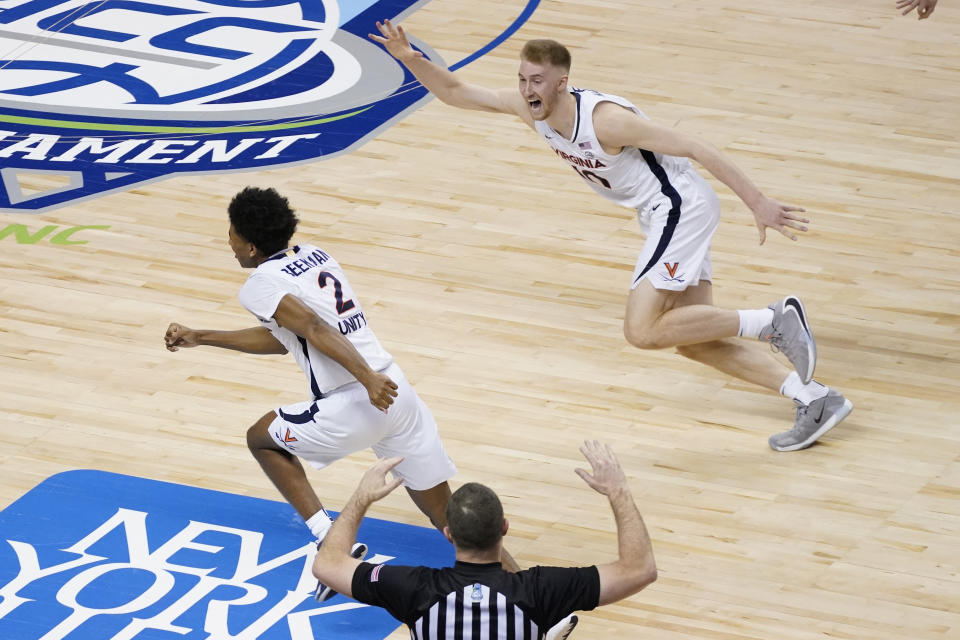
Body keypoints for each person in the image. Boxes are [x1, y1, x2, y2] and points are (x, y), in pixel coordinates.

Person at [368, 21, 853, 451]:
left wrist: (758, 202)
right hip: (663, 215)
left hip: (678, 208)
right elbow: (456, 93)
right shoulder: (525, 107)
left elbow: (696, 147)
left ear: (562, 82)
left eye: (536, 81)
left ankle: (773, 320)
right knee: (692, 336)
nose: (526, 89)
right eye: (521, 79)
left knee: (640, 331)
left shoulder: (606, 121)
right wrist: (410, 59)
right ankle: (813, 398)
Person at [164, 187, 517, 601]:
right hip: (397, 391)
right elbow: (287, 339)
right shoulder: (314, 254)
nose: (229, 242)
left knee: (261, 438)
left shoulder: (259, 283)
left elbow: (313, 328)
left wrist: (366, 378)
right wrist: (201, 337)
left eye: (232, 235)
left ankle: (331, 537)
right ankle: (531, 598)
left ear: (252, 246)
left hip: (358, 397)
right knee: (443, 509)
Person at [313, 440, 656, 640]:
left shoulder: (413, 588)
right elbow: (639, 569)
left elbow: (328, 563)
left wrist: (362, 497)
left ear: (449, 534)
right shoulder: (540, 589)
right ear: (504, 528)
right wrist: (618, 491)